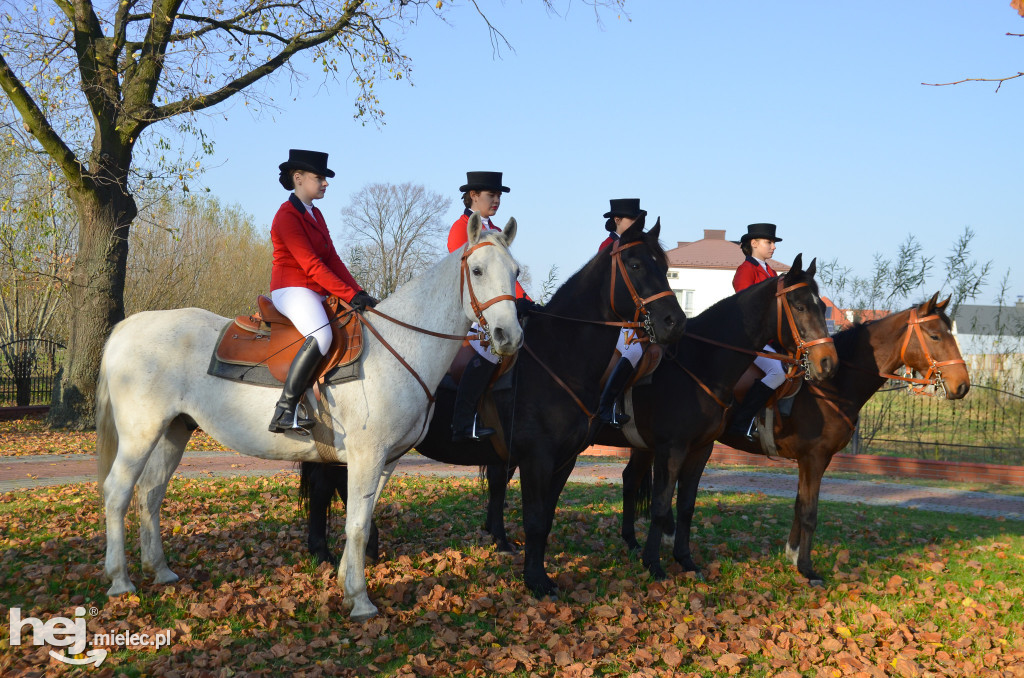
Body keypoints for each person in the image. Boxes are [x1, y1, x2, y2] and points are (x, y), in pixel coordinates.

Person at [268, 149, 377, 435]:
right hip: (291, 288)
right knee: (321, 334)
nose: (326, 183)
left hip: (315, 289)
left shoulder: (316, 214)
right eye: (320, 178)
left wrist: (359, 291)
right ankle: (284, 409)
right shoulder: (287, 216)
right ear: (299, 178)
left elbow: (333, 260)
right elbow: (312, 265)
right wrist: (348, 295)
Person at [447, 171, 533, 442]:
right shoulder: (461, 227)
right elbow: (464, 274)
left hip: (495, 305)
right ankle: (463, 422)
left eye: (499, 196)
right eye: (491, 195)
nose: (496, 200)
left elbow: (505, 276)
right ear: (474, 196)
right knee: (490, 352)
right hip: (470, 306)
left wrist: (525, 301)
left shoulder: (496, 231)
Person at [726, 222, 786, 441]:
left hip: (770, 336)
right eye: (769, 242)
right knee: (777, 372)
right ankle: (742, 423)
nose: (774, 247)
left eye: (773, 242)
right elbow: (747, 308)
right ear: (754, 243)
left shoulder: (770, 270)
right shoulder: (745, 270)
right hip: (750, 337)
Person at [596, 199, 647, 428]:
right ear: (617, 220)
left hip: (632, 316)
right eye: (632, 220)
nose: (638, 224)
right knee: (633, 349)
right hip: (611, 316)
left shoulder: (635, 248)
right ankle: (605, 406)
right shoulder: (608, 245)